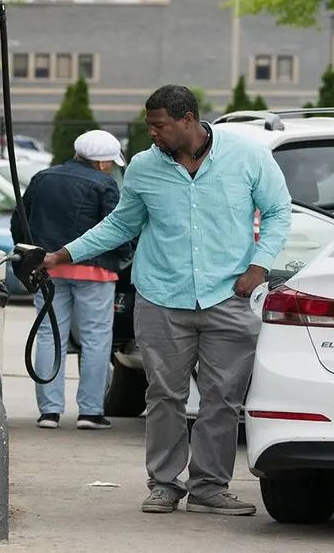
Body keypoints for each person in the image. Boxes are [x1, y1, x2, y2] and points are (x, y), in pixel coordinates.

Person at [41, 85, 291, 516]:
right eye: (148, 126)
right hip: (161, 296)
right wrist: (63, 254)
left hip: (229, 295)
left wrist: (259, 266)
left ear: (188, 120)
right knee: (164, 396)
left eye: (159, 125)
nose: (151, 134)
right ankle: (163, 484)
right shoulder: (143, 167)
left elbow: (278, 211)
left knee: (223, 399)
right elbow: (121, 223)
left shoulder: (247, 156)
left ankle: (210, 487)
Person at [11, 130, 131, 431]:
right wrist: (125, 256)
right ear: (103, 162)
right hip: (96, 271)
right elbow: (117, 228)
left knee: (49, 337)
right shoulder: (105, 184)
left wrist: (32, 254)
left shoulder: (42, 177)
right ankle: (90, 412)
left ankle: (49, 412)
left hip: (47, 269)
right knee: (95, 340)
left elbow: (19, 221)